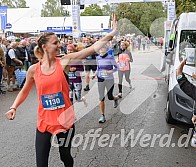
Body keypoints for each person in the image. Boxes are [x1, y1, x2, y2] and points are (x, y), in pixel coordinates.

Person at [4, 14, 117, 167]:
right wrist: (13, 107)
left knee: (65, 157)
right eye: (55, 43)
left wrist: (112, 33)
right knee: (41, 163)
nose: (59, 45)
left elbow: (91, 49)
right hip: (44, 122)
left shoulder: (65, 61)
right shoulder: (33, 70)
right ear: (44, 47)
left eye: (59, 42)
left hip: (65, 120)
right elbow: (24, 91)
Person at [93, 44, 119, 123]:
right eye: (100, 48)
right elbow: (98, 68)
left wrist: (109, 71)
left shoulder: (110, 57)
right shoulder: (98, 58)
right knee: (101, 97)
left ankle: (115, 98)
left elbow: (117, 67)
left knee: (110, 97)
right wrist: (95, 74)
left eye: (103, 47)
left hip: (109, 79)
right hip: (100, 79)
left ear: (106, 49)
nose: (101, 49)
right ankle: (102, 115)